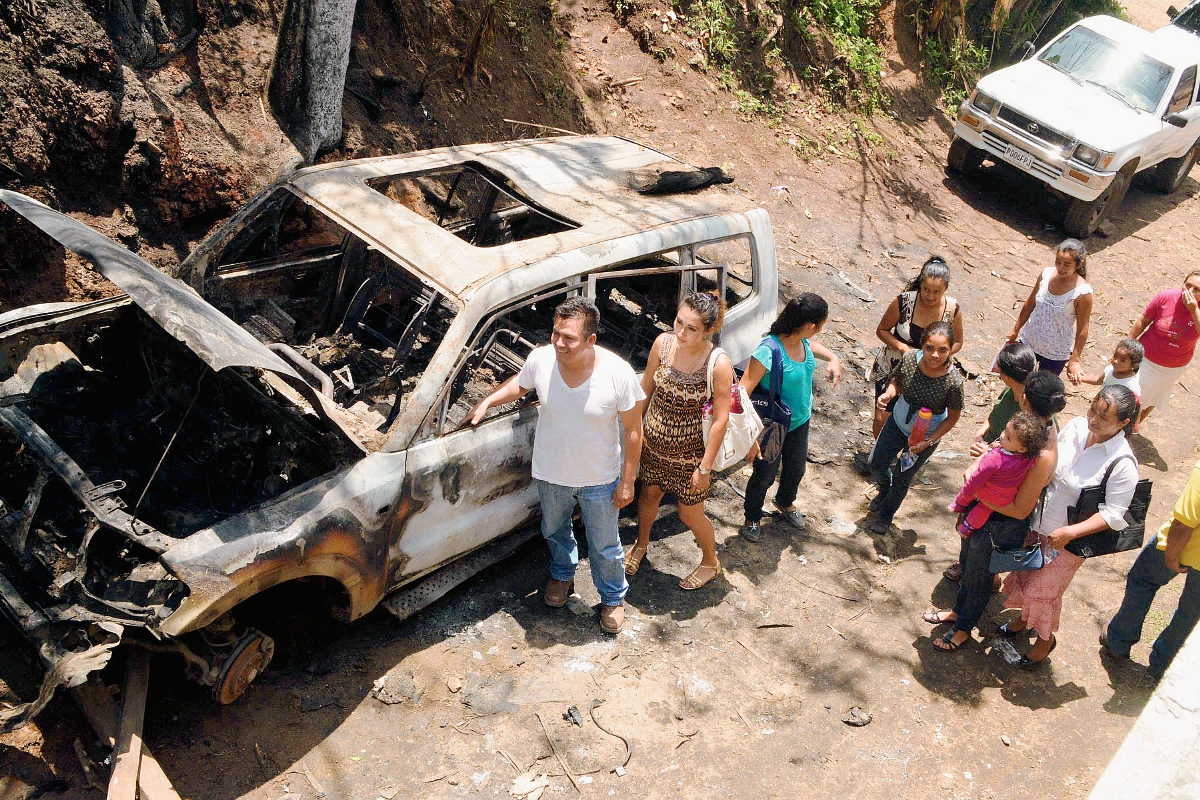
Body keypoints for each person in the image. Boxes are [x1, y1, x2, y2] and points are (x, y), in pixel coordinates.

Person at [469, 297, 645, 633]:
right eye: (556, 334)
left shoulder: (617, 373)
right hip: (551, 473)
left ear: (591, 340)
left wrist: (627, 481)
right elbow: (519, 385)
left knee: (605, 544)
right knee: (555, 531)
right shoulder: (541, 359)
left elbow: (634, 431)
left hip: (599, 479)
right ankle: (562, 576)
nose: (559, 343)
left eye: (569, 338)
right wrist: (488, 401)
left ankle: (612, 597)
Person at [923, 371, 1067, 651]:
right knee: (969, 568)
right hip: (985, 513)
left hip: (998, 524)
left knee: (978, 577)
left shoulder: (1041, 453)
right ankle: (959, 613)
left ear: (1025, 400)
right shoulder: (1028, 430)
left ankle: (963, 628)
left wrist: (977, 493)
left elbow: (1020, 509)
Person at [999, 385, 1140, 669]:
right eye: (1092, 409)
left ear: (1124, 423)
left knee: (1043, 592)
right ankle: (1024, 621)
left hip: (1068, 542)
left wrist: (1070, 533)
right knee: (1027, 577)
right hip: (1037, 524)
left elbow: (1113, 514)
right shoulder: (1075, 427)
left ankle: (1044, 642)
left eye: (1105, 417)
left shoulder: (1123, 463)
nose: (1093, 420)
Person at [625, 292, 733, 590]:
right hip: (653, 448)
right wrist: (633, 431)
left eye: (692, 328)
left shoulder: (717, 362)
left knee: (689, 513)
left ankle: (710, 562)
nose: (681, 333)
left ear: (708, 330)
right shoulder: (663, 343)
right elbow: (646, 389)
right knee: (648, 496)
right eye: (678, 322)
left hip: (691, 458)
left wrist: (705, 468)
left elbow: (721, 419)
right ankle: (641, 544)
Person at [738, 293, 842, 543]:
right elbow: (742, 393)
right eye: (820, 326)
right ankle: (752, 517)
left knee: (796, 469)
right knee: (764, 475)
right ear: (810, 326)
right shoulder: (768, 351)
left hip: (800, 421)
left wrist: (833, 358)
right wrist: (750, 437)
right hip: (772, 426)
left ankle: (785, 502)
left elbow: (811, 348)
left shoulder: (802, 341)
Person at [943, 342, 1038, 583]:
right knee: (967, 522)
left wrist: (989, 453)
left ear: (1005, 375)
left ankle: (984, 578)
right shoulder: (1009, 394)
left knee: (980, 529)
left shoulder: (1032, 407)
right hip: (987, 467)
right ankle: (966, 563)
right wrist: (980, 434)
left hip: (999, 483)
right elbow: (992, 417)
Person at [1102, 457, 1200, 681]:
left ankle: (1119, 640)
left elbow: (1184, 524)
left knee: (1142, 580)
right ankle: (1163, 666)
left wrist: (1172, 556)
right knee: (1191, 613)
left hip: (1181, 548)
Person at [868, 321, 963, 534]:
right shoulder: (910, 359)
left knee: (903, 478)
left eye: (942, 350)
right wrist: (889, 394)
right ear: (922, 346)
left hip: (925, 436)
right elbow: (897, 381)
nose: (935, 355)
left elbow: (952, 418)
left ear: (951, 350)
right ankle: (884, 489)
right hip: (898, 422)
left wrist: (928, 442)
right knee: (876, 463)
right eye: (929, 348)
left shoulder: (954, 382)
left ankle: (886, 515)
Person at [871, 256, 964, 437]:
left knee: (918, 421)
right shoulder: (904, 302)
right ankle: (879, 455)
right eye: (926, 290)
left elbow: (959, 341)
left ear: (946, 289)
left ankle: (907, 456)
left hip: (930, 374)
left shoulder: (953, 309)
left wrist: (939, 355)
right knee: (883, 415)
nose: (930, 296)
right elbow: (882, 330)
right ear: (920, 284)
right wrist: (904, 348)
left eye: (937, 292)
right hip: (894, 365)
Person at [1006, 239, 1093, 383]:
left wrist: (1075, 359)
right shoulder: (1045, 275)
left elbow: (1083, 328)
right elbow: (1030, 303)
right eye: (1058, 262)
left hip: (1055, 353)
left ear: (1079, 264)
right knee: (1016, 382)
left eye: (1067, 264)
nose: (1061, 267)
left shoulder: (1082, 293)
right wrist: (1016, 329)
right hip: (1029, 341)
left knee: (1039, 391)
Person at [949, 412, 1049, 538]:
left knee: (972, 494)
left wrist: (966, 492)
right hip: (1005, 497)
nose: (1002, 436)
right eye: (1004, 431)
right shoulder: (1029, 459)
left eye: (1008, 438)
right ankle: (966, 528)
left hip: (987, 491)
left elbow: (977, 478)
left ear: (1022, 448)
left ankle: (958, 505)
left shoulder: (995, 459)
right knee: (983, 510)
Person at [1129, 271, 1200, 425]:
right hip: (1145, 357)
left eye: (1197, 289)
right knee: (1131, 393)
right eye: (1188, 286)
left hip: (1173, 367)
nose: (1190, 292)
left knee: (1155, 395)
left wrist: (1194, 310)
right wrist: (1128, 342)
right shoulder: (1167, 297)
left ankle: (1134, 425)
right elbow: (1143, 320)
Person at [1077, 338, 1143, 400]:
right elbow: (1098, 380)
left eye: (1122, 360)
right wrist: (1080, 378)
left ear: (1133, 365)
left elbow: (1136, 404)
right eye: (1115, 356)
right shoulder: (1110, 369)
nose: (1115, 361)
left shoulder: (1131, 385)